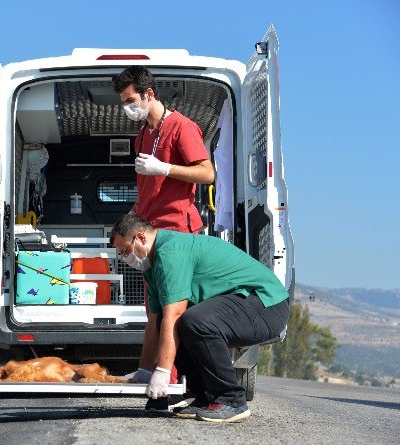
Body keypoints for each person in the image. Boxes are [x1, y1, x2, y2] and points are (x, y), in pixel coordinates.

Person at [110, 214, 290, 423]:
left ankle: (231, 399)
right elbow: (155, 322)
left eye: (125, 251)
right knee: (168, 323)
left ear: (140, 237)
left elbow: (175, 314)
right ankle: (205, 395)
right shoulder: (152, 266)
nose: (126, 258)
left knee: (193, 321)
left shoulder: (171, 252)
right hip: (246, 304)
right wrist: (144, 371)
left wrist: (162, 371)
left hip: (266, 305)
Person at [113, 66, 215, 388]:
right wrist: (132, 215)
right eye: (123, 102)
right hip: (150, 233)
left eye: (131, 100)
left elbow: (207, 174)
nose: (127, 107)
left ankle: (168, 379)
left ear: (149, 94)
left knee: (173, 307)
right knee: (154, 308)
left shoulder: (183, 128)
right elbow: (149, 191)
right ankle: (148, 372)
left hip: (177, 233)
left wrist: (166, 168)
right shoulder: (142, 135)